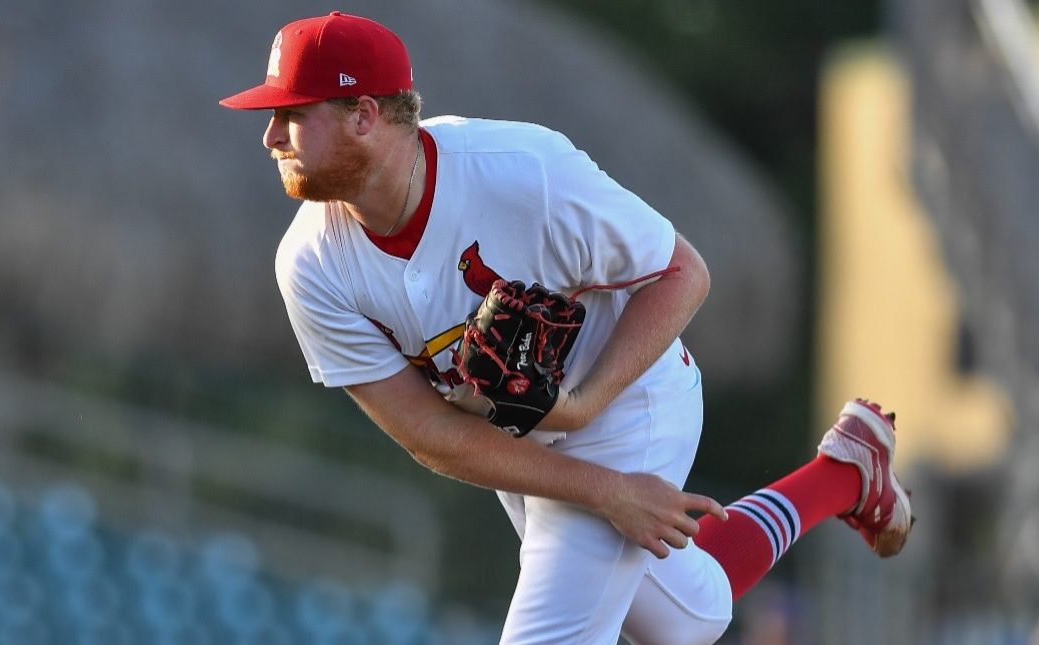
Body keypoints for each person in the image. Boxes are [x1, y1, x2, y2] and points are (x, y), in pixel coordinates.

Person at [219, 11, 912, 645]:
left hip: (629, 400)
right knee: (686, 619)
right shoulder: (310, 266)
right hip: (521, 442)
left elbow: (682, 272)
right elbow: (429, 434)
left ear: (365, 115)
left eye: (292, 114)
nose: (270, 136)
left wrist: (585, 412)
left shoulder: (523, 173)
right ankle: (845, 472)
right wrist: (605, 492)